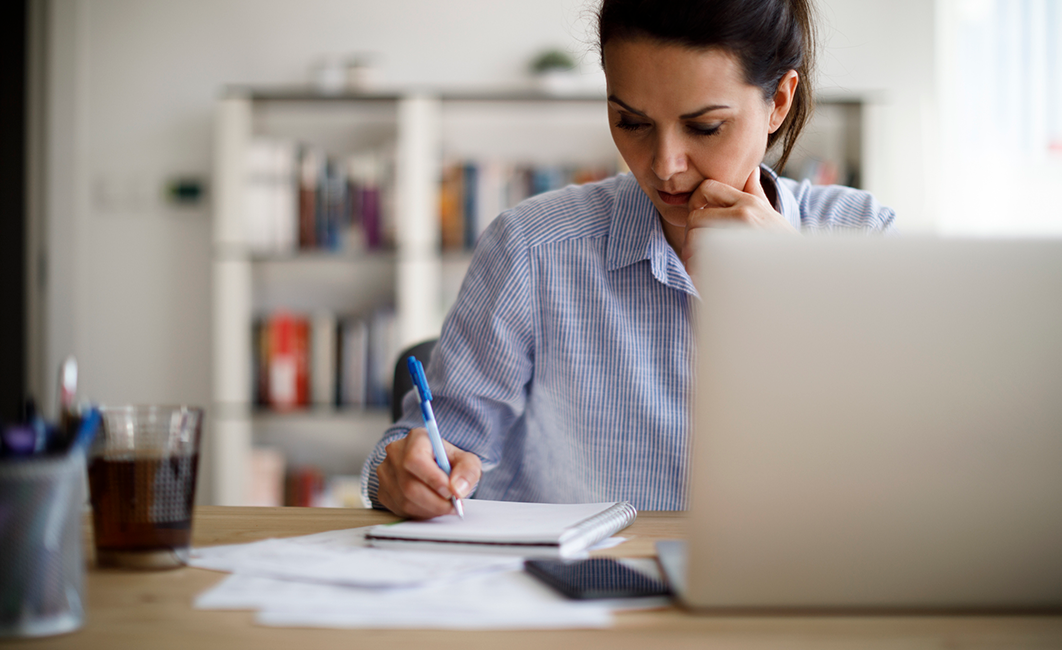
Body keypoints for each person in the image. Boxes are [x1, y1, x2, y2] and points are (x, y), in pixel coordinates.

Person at [362, 0, 895, 519]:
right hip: (568, 592)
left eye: (705, 127)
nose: (665, 166)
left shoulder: (863, 239)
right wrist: (405, 474)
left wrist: (799, 294)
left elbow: (903, 473)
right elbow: (434, 446)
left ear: (778, 101)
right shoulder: (531, 248)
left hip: (787, 593)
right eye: (632, 122)